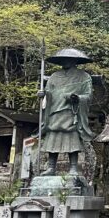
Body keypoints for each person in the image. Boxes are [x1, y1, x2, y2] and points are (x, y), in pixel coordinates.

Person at [39, 48, 95, 177]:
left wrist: (77, 98)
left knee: (72, 139)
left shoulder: (84, 76)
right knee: (52, 137)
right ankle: (51, 167)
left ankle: (73, 168)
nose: (65, 61)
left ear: (75, 60)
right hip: (54, 111)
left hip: (71, 111)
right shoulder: (53, 76)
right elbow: (48, 93)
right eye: (63, 59)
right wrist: (43, 94)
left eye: (68, 59)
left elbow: (88, 95)